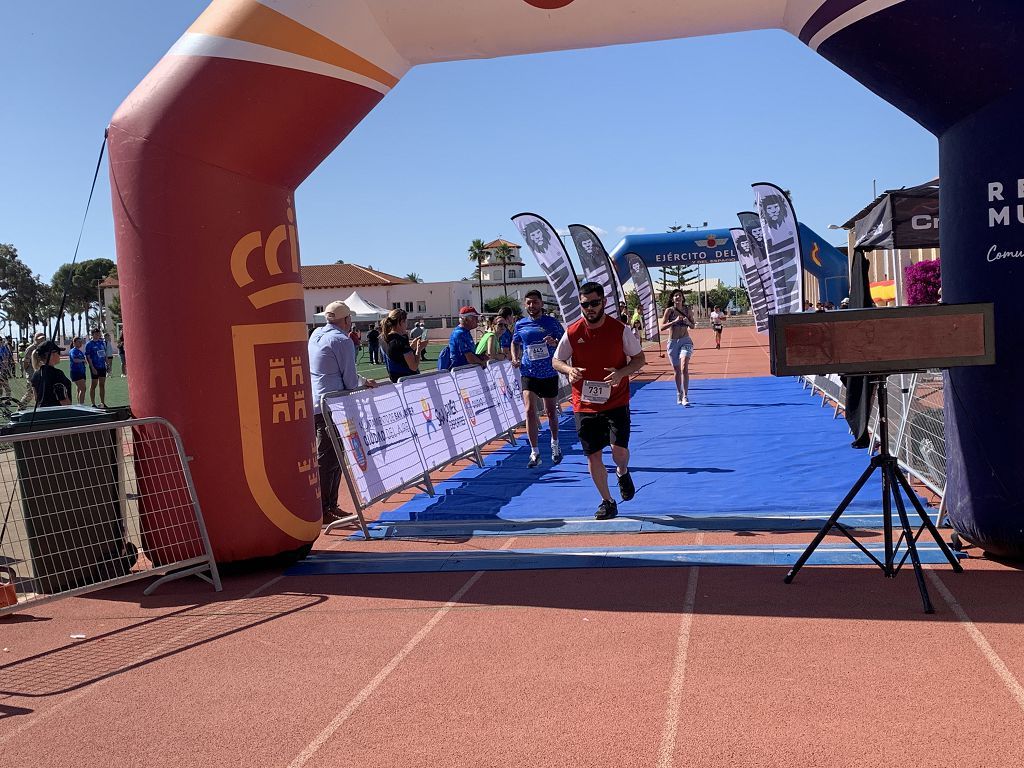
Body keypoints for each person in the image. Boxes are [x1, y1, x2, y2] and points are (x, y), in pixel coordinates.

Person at [553, 282, 645, 520]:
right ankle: (607, 501)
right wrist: (568, 370)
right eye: (585, 305)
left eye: (594, 303)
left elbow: (638, 359)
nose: (590, 308)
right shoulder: (573, 332)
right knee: (593, 455)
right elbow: (557, 360)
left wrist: (621, 373)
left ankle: (622, 472)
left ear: (604, 302)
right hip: (584, 403)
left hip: (615, 400)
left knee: (619, 452)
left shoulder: (620, 330)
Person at [309, 301, 377, 525]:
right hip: (333, 405)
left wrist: (362, 381)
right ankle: (324, 507)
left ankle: (328, 505)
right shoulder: (342, 341)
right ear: (347, 320)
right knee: (331, 457)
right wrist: (363, 384)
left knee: (330, 456)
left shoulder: (316, 335)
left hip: (317, 403)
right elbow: (348, 379)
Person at [511, 289, 565, 468]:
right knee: (529, 411)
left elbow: (564, 341)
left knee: (550, 412)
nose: (532, 306)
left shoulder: (551, 322)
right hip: (529, 372)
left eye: (535, 302)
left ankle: (555, 444)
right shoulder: (520, 324)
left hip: (548, 372)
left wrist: (554, 343)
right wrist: (515, 357)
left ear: (541, 303)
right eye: (528, 303)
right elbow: (515, 342)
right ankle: (534, 452)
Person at [659, 290, 695, 406]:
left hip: (686, 341)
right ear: (672, 299)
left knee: (684, 367)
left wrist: (687, 321)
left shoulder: (687, 310)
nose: (678, 297)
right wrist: (673, 322)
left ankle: (685, 396)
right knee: (677, 370)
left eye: (680, 295)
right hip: (673, 342)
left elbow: (693, 326)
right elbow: (662, 327)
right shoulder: (669, 311)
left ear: (683, 298)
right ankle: (678, 392)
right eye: (675, 296)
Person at [381, 308, 424, 383]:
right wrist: (419, 349)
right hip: (408, 381)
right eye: (406, 322)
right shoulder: (400, 340)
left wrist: (411, 347)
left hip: (395, 380)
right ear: (401, 322)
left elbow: (398, 355)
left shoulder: (384, 338)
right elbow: (413, 366)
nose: (406, 325)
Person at [29, 341, 73, 407]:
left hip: (41, 413)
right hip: (57, 414)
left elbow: (36, 399)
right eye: (58, 352)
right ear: (51, 354)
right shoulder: (57, 374)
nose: (60, 355)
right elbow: (64, 402)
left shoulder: (35, 375)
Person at [85, 328, 108, 408]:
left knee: (102, 385)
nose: (98, 335)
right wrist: (92, 367)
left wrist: (107, 364)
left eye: (99, 334)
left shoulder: (101, 343)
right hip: (94, 367)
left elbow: (104, 354)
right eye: (96, 334)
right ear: (93, 334)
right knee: (94, 385)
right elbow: (88, 357)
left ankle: (102, 403)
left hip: (102, 366)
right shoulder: (89, 344)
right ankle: (93, 403)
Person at [68, 336, 88, 404]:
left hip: (82, 372)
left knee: (80, 389)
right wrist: (83, 360)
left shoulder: (80, 351)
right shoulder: (73, 351)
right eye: (79, 342)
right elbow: (75, 360)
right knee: (83, 389)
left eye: (81, 342)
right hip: (76, 372)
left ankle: (80, 403)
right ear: (74, 343)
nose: (80, 343)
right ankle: (82, 405)